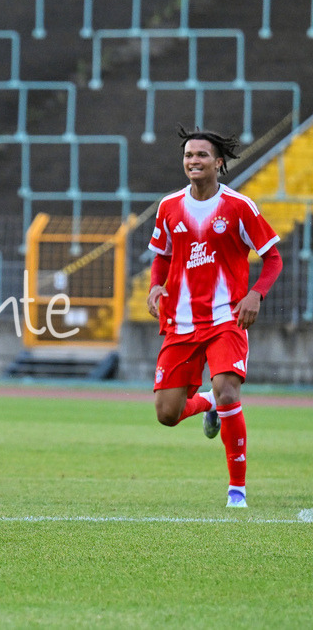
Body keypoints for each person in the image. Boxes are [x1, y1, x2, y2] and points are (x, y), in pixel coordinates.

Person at [146, 126, 281, 509]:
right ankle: (207, 404)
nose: (194, 161)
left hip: (227, 319)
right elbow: (162, 255)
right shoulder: (169, 207)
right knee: (166, 415)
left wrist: (256, 294)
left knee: (229, 391)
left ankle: (236, 490)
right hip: (181, 323)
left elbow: (272, 257)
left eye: (202, 155)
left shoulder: (239, 206)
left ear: (218, 163)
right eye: (189, 155)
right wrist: (156, 286)